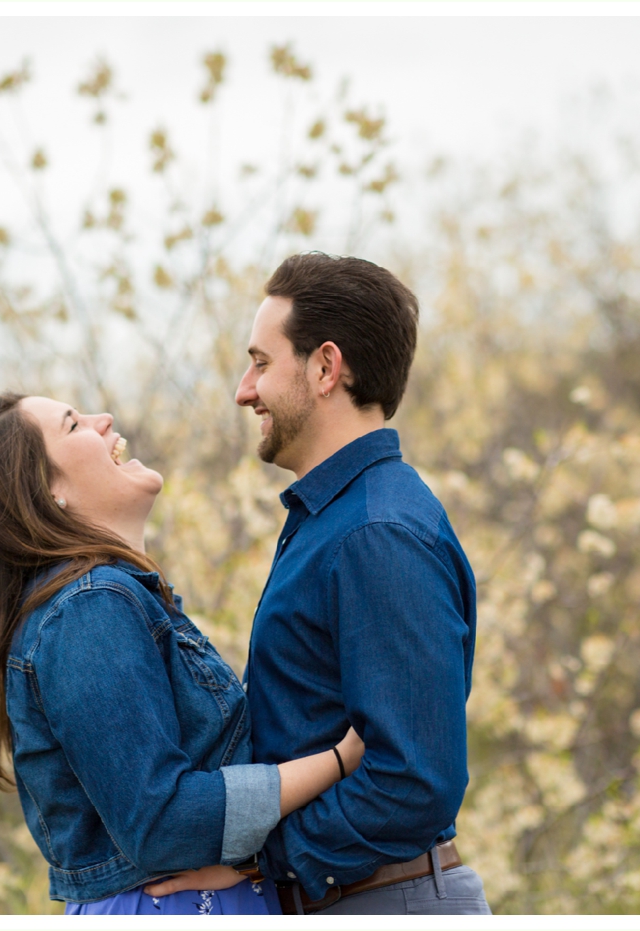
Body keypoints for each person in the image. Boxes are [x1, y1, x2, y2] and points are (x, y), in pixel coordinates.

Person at [0, 392, 366, 914]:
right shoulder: (89, 607)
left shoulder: (105, 599)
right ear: (48, 493)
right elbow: (162, 823)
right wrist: (342, 758)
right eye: (73, 426)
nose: (103, 419)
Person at [220, 252, 490, 914]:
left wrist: (265, 863)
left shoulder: (377, 533)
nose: (244, 389)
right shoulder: (337, 520)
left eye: (260, 361)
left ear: (324, 367)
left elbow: (415, 780)